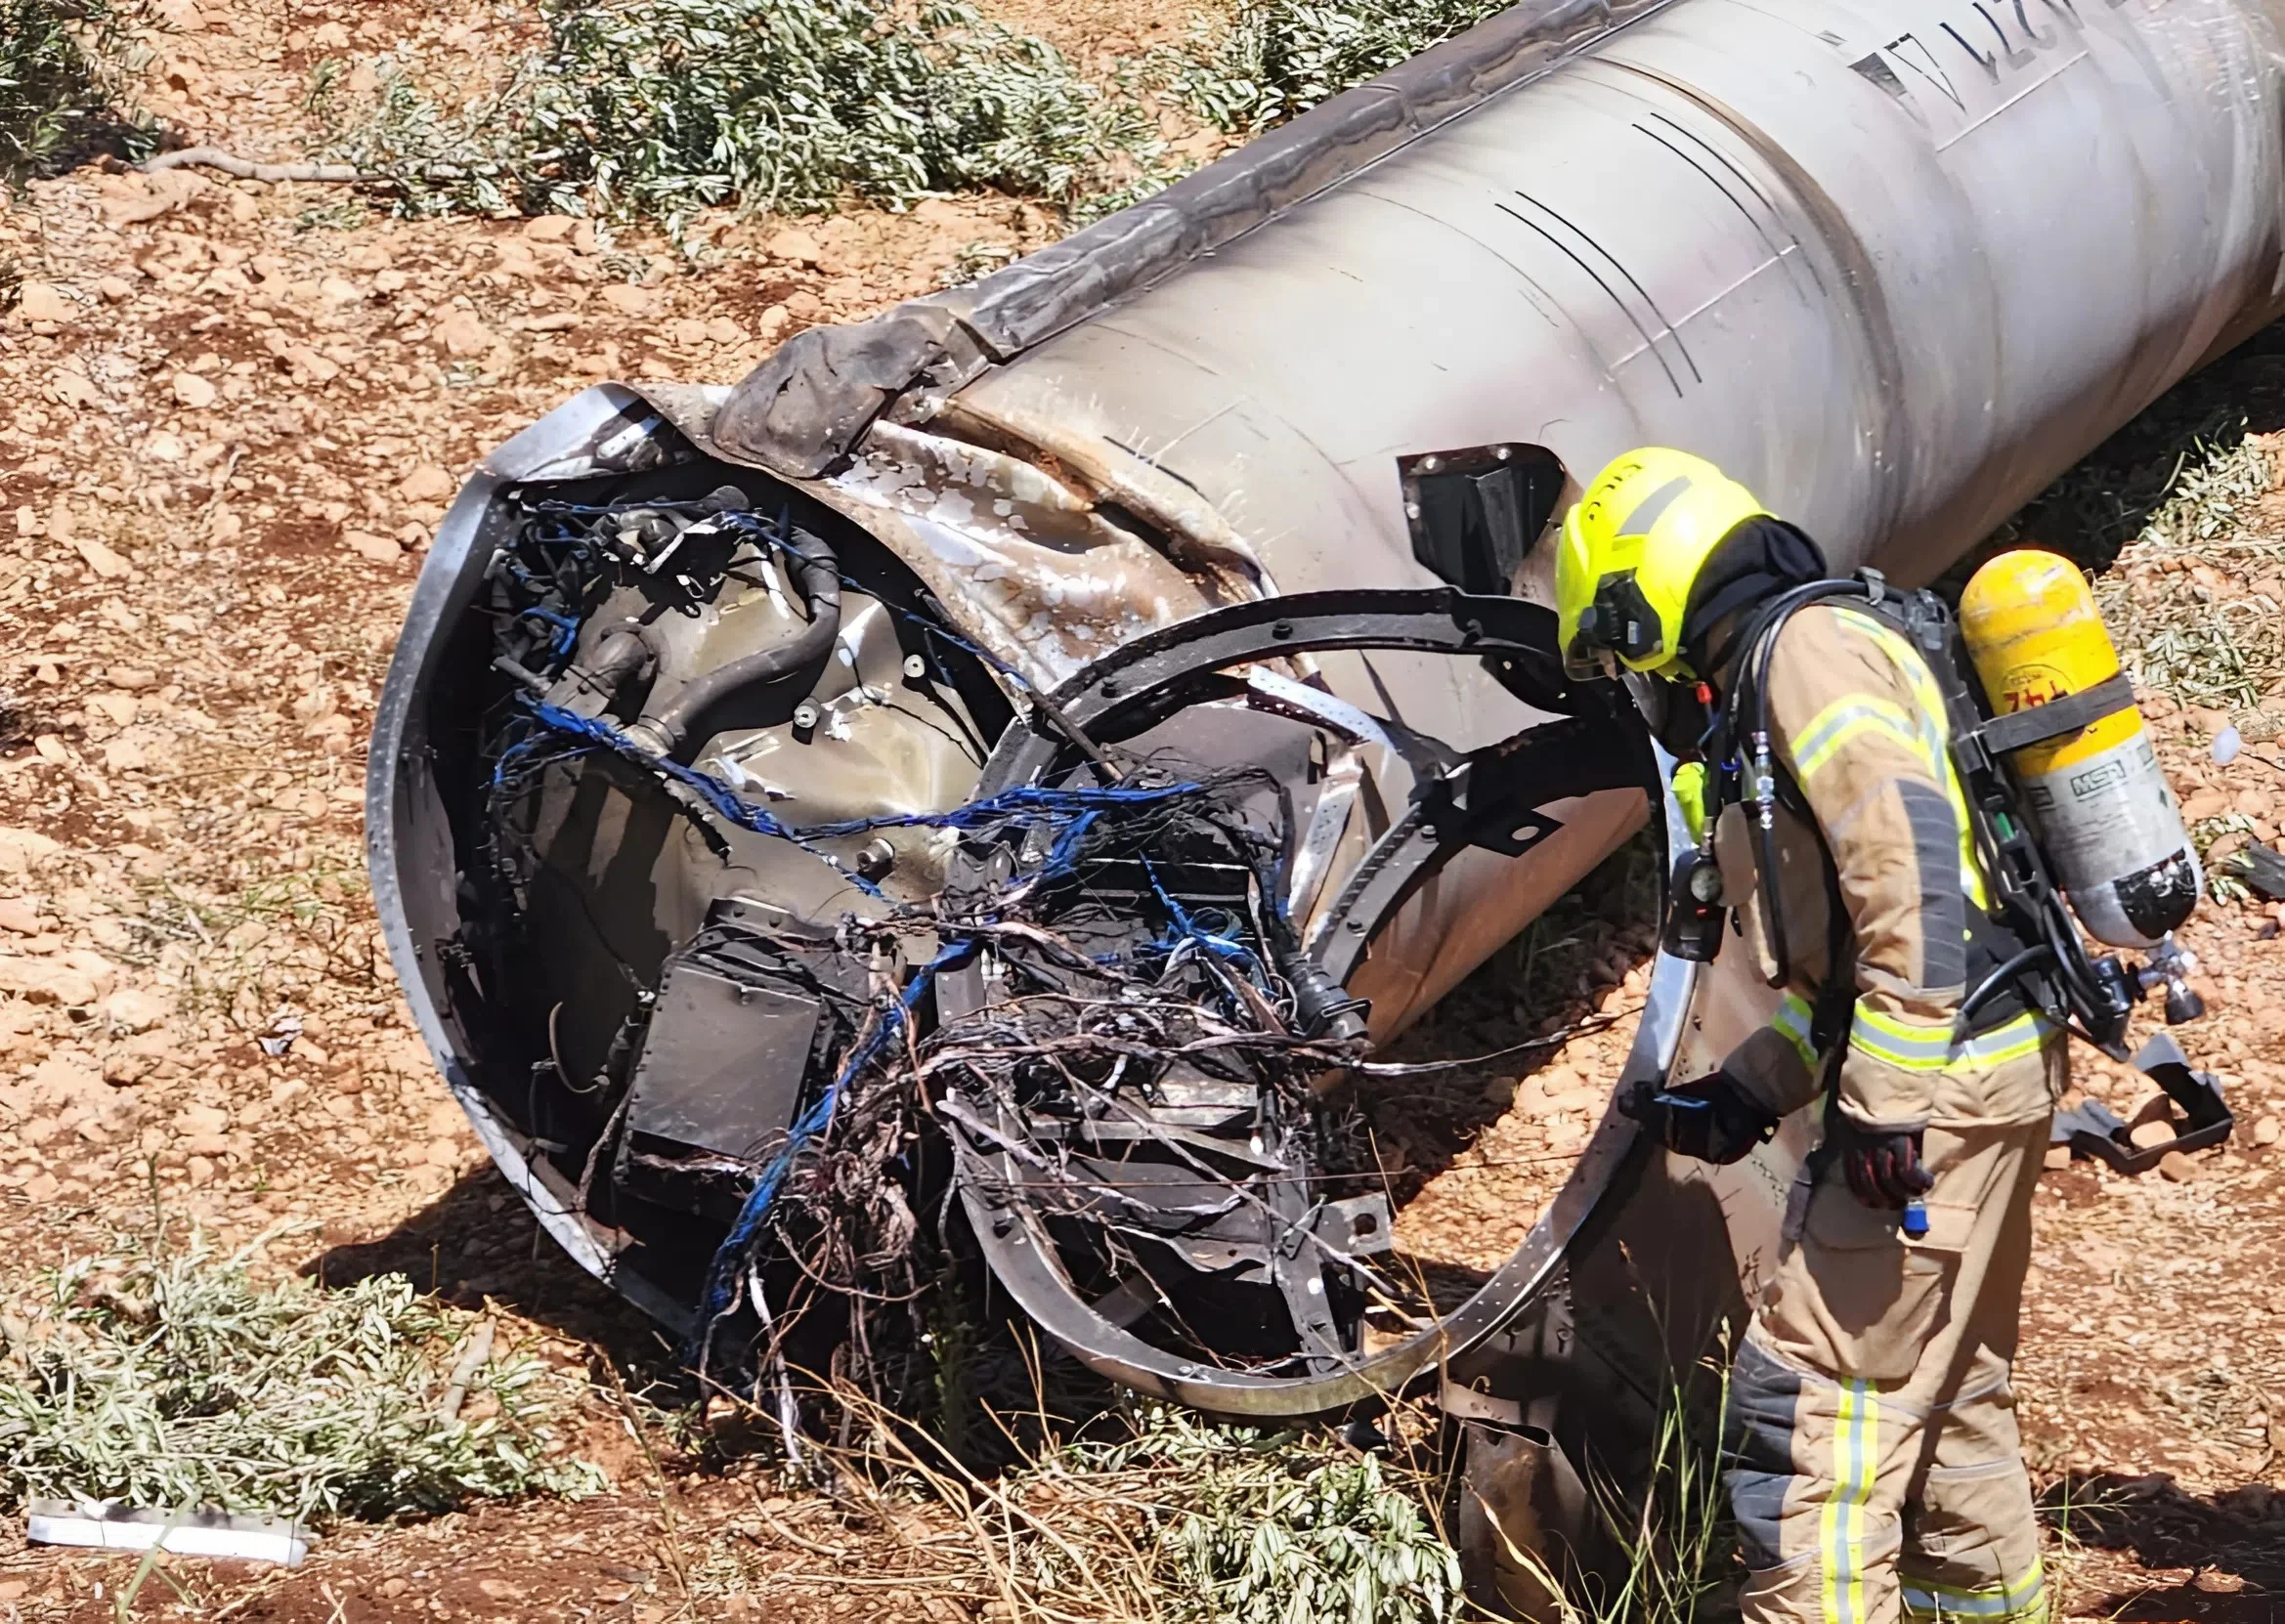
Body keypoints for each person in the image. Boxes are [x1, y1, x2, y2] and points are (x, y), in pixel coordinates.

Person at [1554, 448, 2061, 1624]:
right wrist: (1748, 1086)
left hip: (1934, 1094)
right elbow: (1850, 964)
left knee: (1814, 1425)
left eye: (1632, 643)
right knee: (1946, 1394)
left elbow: (1918, 885)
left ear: (1649, 590)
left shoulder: (1803, 657)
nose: (1650, 677)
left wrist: (1885, 1103)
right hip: (1984, 1067)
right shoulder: (1812, 647)